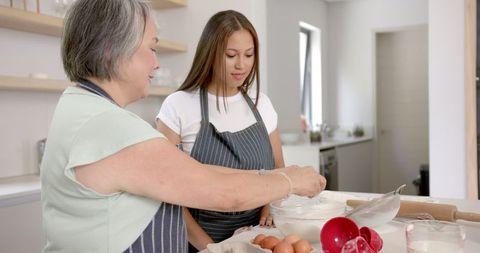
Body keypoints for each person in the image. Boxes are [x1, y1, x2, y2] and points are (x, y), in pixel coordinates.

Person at [40, 1, 326, 252]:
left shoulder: (86, 110)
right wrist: (290, 181)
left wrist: (279, 176)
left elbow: (194, 172)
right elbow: (222, 193)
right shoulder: (109, 128)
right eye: (151, 47)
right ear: (111, 52)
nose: (156, 62)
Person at [156, 10, 318, 252]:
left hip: (258, 241)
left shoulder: (261, 103)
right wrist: (211, 248)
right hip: (200, 243)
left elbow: (279, 171)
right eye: (231, 55)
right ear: (210, 53)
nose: (241, 65)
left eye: (249, 55)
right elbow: (169, 194)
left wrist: (267, 209)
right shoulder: (178, 106)